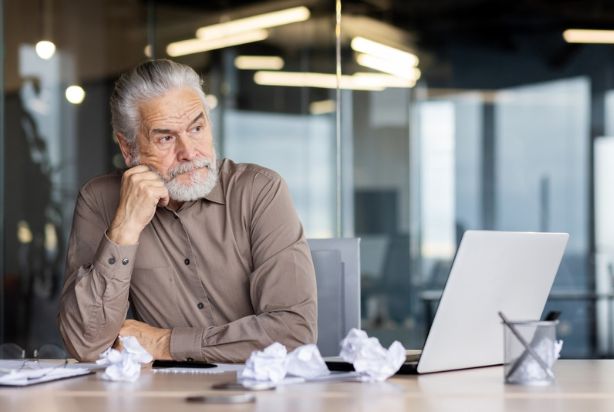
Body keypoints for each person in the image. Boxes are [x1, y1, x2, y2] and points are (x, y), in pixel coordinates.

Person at [57, 59, 317, 363]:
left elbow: (294, 334)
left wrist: (166, 343)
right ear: (128, 149)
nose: (190, 152)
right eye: (166, 137)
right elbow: (85, 343)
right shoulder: (100, 201)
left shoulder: (260, 191)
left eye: (196, 128)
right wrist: (125, 229)